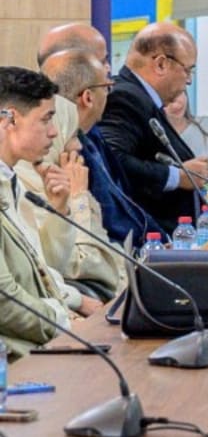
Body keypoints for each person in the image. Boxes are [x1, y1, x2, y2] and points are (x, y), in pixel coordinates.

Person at [41, 46, 164, 249]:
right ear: (88, 97)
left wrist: (162, 242)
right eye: (107, 87)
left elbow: (126, 206)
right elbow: (108, 225)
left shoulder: (91, 137)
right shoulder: (66, 152)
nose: (110, 94)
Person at [0, 68, 84, 356]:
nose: (54, 131)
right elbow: (4, 300)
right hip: (14, 361)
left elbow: (43, 271)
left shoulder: (11, 182)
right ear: (8, 120)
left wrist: (59, 212)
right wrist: (63, 321)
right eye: (46, 119)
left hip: (36, 343)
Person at [97, 22, 208, 234]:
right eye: (187, 70)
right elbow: (113, 159)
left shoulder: (143, 98)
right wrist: (178, 177)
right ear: (160, 64)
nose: (189, 81)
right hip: (149, 236)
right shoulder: (125, 97)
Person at [15, 96, 124, 302]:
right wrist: (78, 198)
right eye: (73, 135)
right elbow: (82, 264)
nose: (78, 146)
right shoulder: (23, 186)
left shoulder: (58, 179)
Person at [165, 90, 208, 166]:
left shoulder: (206, 125)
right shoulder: (152, 134)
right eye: (167, 99)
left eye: (178, 94)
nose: (175, 105)